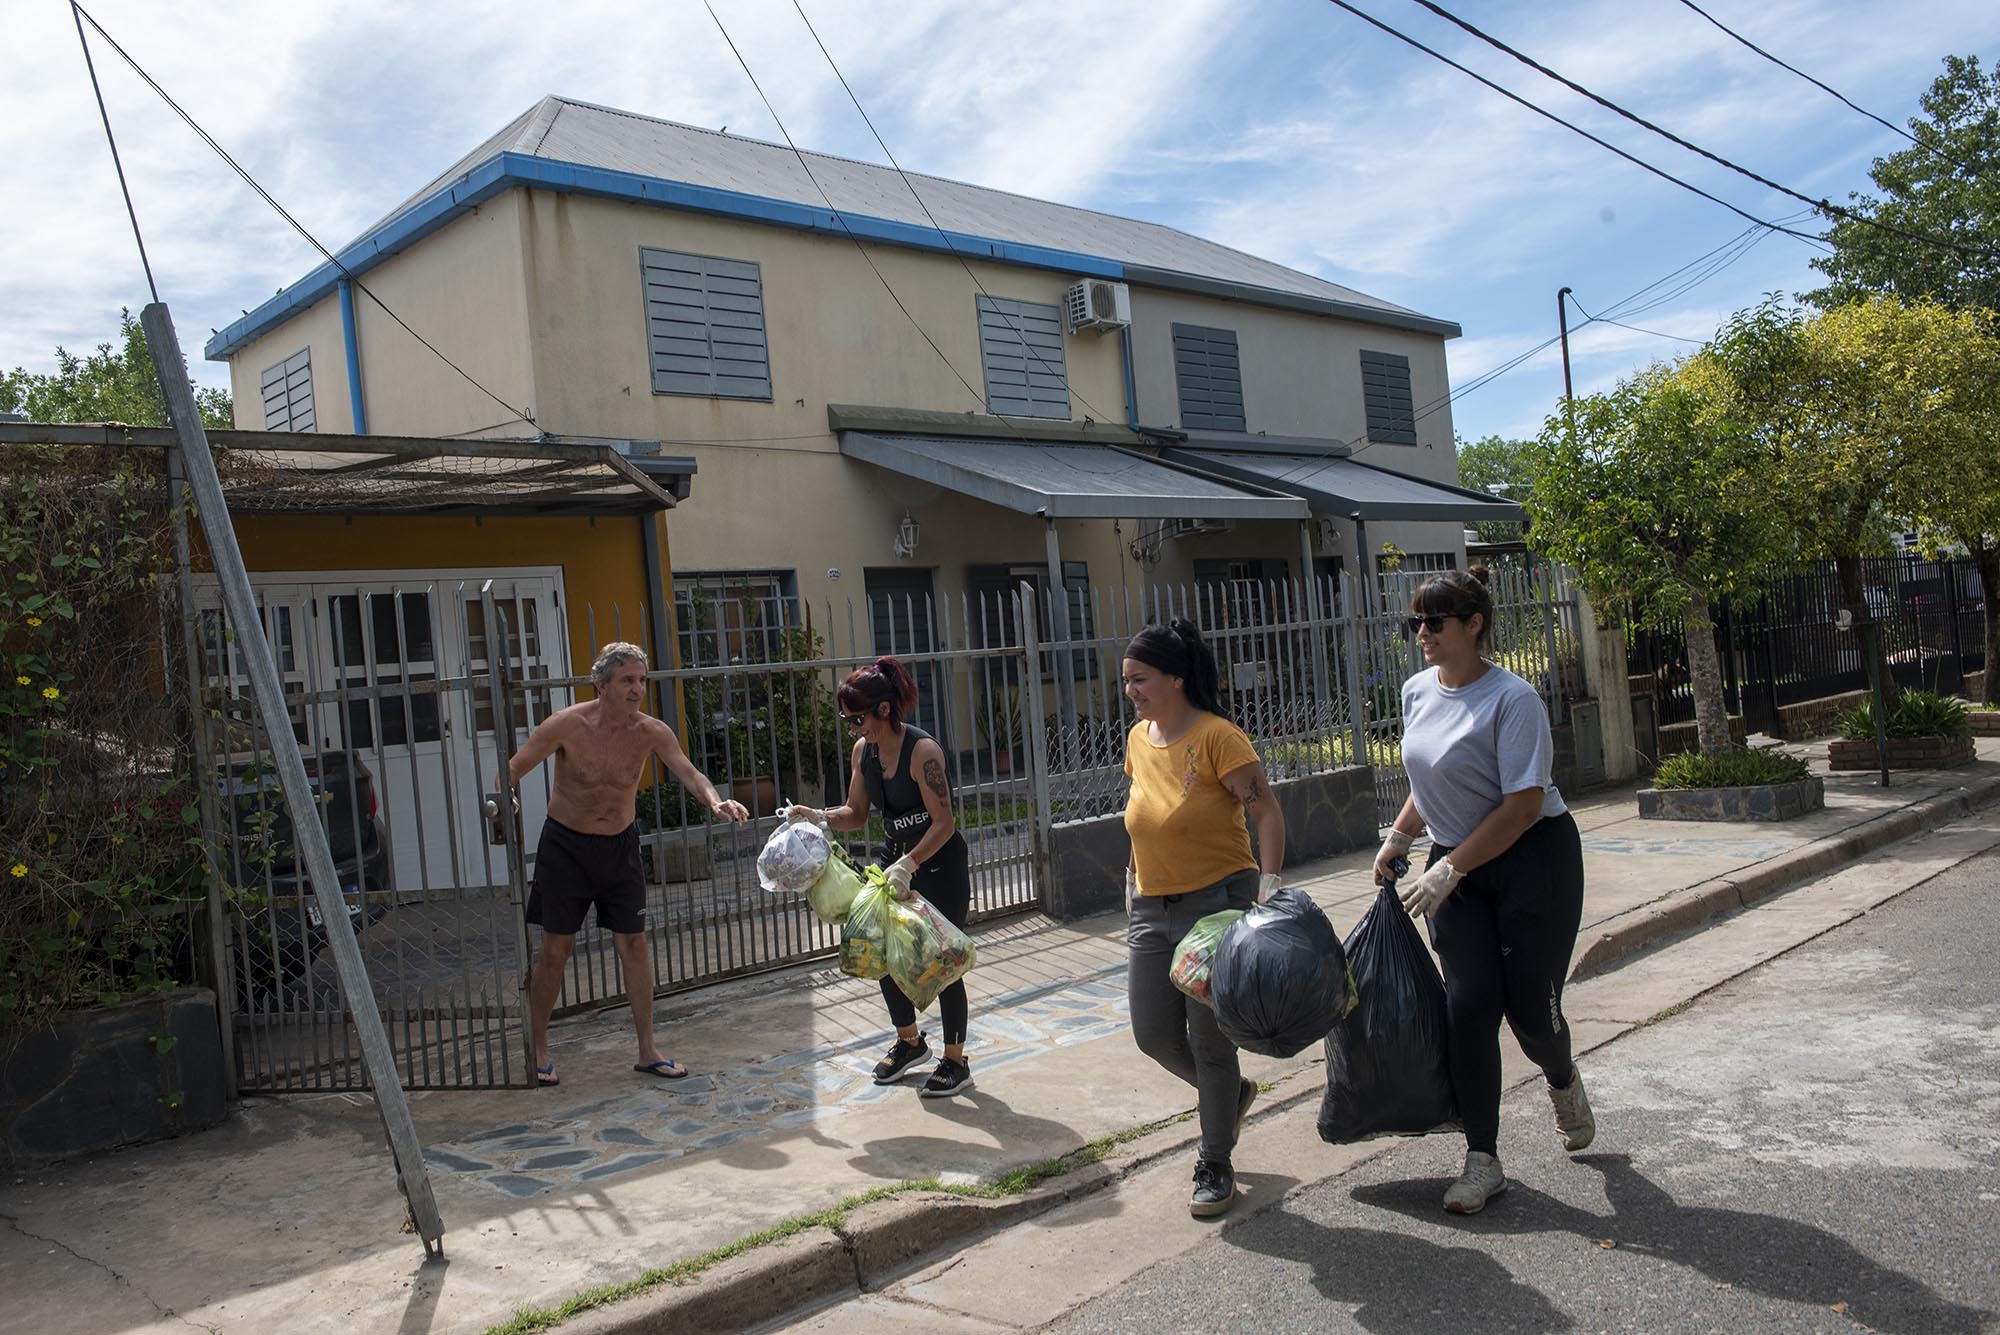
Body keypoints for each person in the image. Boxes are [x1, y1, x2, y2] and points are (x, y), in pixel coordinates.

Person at [1372, 567, 1594, 1215]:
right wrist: (1403, 837)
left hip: (1533, 859)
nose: (1422, 633)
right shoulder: (1418, 691)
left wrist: (1450, 868)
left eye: (1434, 621)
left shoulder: (1513, 699)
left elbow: (1523, 804)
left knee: (1531, 1011)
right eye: (1415, 622)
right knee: (1467, 1006)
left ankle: (1562, 1074)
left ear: (1473, 625)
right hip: (1456, 864)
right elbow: (1435, 776)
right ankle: (1482, 1157)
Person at [507, 641, 748, 1086]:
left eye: (642, 680)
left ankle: (647, 1049)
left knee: (633, 944)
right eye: (627, 681)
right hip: (565, 848)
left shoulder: (651, 732)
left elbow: (690, 773)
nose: (638, 689)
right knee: (555, 952)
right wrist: (506, 800)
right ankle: (537, 1048)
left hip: (620, 847)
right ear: (601, 684)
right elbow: (515, 767)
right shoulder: (566, 725)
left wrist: (716, 802)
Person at [1120, 619, 1286, 1218]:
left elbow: (1265, 812)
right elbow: (1140, 816)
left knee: (1208, 1041)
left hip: (1216, 906)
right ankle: (1231, 1097)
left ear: (1176, 678)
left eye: (1140, 679)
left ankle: (1215, 1160)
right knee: (1153, 1035)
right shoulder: (1140, 739)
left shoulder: (1219, 738)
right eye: (1127, 681)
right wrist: (1132, 882)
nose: (1132, 691)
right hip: (1151, 908)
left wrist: (1267, 887)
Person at [785, 656, 975, 1098]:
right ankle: (910, 1042)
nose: (853, 728)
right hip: (893, 860)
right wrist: (819, 817)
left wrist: (911, 864)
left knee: (941, 962)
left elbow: (943, 822)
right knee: (882, 951)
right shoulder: (863, 752)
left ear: (884, 710)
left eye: (858, 718)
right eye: (847, 720)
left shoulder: (923, 752)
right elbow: (856, 813)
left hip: (939, 863)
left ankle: (955, 1060)